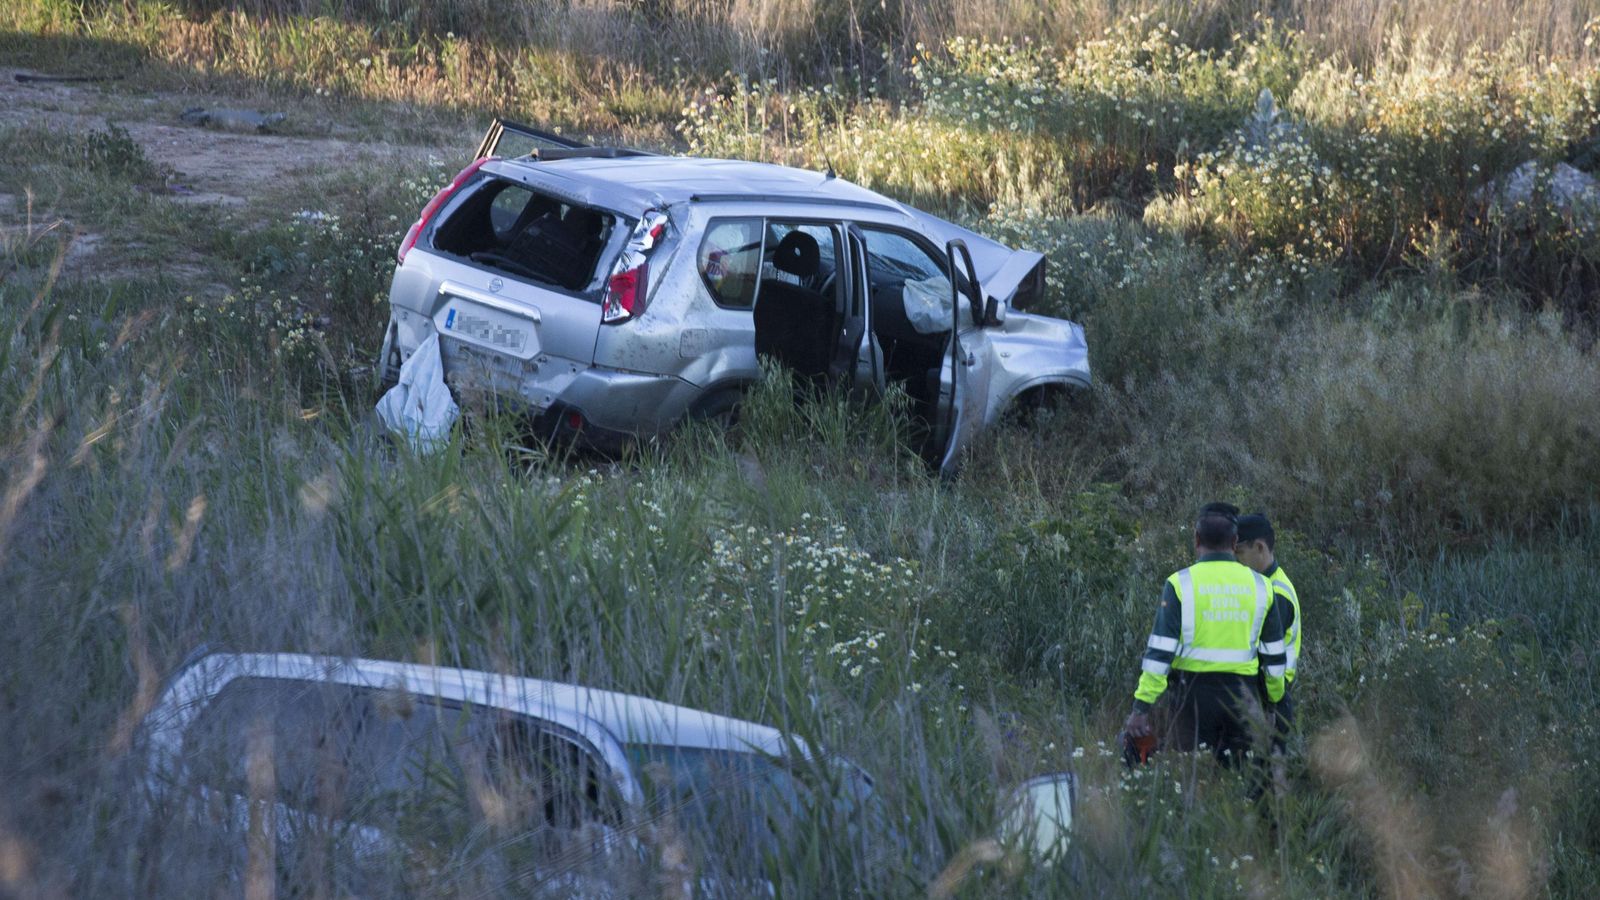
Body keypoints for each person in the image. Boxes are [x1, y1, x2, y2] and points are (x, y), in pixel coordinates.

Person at [1123, 503, 1288, 767]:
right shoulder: (1263, 587)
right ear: (1234, 542)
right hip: (1242, 699)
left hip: (1191, 702)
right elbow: (1275, 659)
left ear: (1196, 539)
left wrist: (1141, 708)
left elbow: (1159, 655)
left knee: (1190, 781)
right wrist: (1272, 704)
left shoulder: (1179, 584)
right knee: (1239, 778)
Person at [1234, 512, 1299, 751]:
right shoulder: (1259, 586)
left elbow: (1266, 656)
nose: (1234, 560)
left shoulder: (1277, 593)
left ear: (1260, 547)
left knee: (1267, 778)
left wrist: (1270, 705)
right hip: (1260, 698)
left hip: (1270, 701)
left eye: (1239, 552)